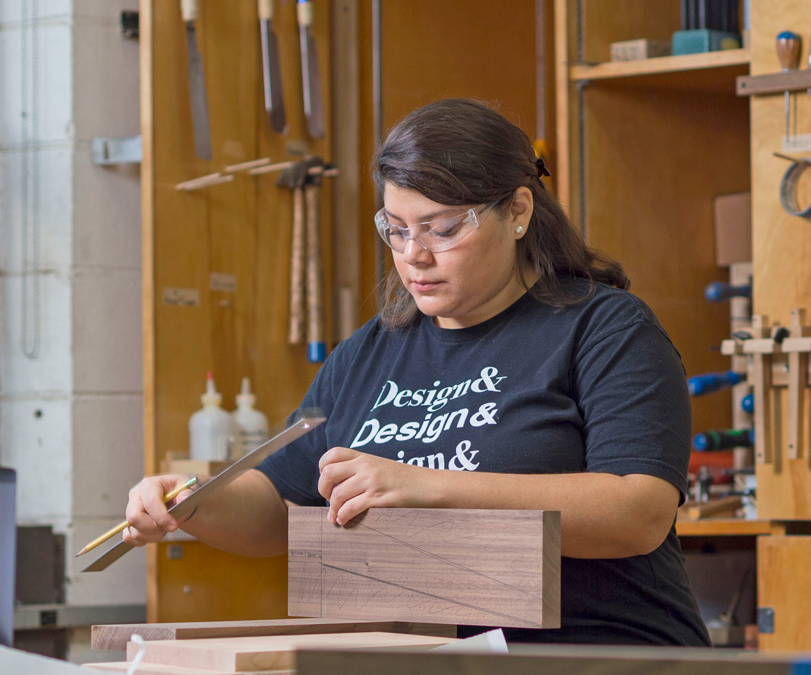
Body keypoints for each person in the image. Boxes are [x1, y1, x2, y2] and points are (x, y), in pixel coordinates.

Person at [123, 98, 710, 647]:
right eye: (397, 230)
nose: (414, 255)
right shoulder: (368, 354)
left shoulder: (604, 329)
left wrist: (425, 487)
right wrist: (194, 504)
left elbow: (639, 511)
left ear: (519, 212)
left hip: (601, 652)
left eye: (443, 228)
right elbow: (281, 504)